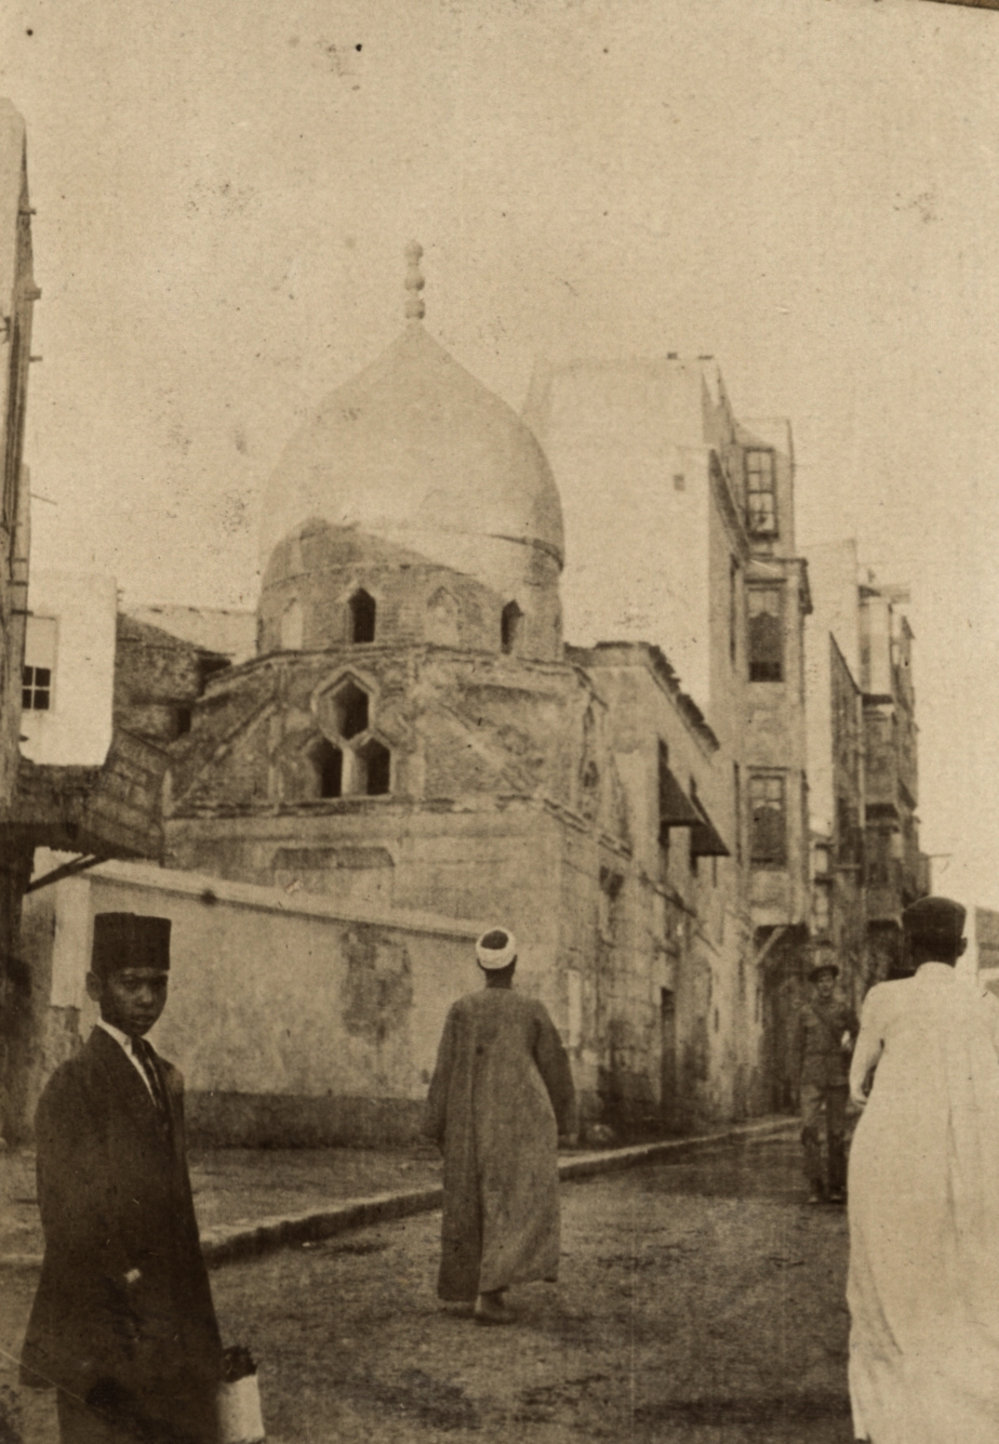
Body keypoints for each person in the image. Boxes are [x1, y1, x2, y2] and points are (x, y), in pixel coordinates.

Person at [21, 912, 222, 1444]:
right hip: (104, 1304)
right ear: (94, 987)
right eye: (129, 983)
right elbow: (65, 1207)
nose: (146, 998)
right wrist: (126, 1275)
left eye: (158, 984)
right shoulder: (74, 1085)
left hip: (169, 1299)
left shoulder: (163, 1074)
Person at [847, 895, 999, 1444]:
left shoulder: (884, 996)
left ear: (910, 946)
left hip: (895, 1150)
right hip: (975, 1154)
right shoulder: (985, 1002)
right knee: (965, 1270)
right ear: (961, 949)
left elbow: (857, 1084)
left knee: (887, 1270)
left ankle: (889, 1414)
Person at [424, 927, 575, 1324]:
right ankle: (490, 1297)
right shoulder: (532, 1009)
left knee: (471, 1201)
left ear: (480, 965)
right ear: (514, 964)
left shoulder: (462, 1008)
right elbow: (556, 1068)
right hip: (520, 1123)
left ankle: (478, 1291)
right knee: (512, 1203)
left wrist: (435, 1123)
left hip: (469, 1121)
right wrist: (565, 1121)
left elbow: (445, 1070)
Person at [793, 957, 858, 1204]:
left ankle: (836, 1185)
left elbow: (858, 1034)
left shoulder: (843, 1010)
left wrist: (849, 1045)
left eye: (829, 980)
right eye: (821, 981)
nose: (825, 985)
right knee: (809, 1129)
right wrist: (794, 1080)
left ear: (834, 982)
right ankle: (814, 1184)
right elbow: (797, 1047)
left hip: (836, 1075)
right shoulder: (805, 1012)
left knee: (836, 1133)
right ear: (815, 985)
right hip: (811, 1076)